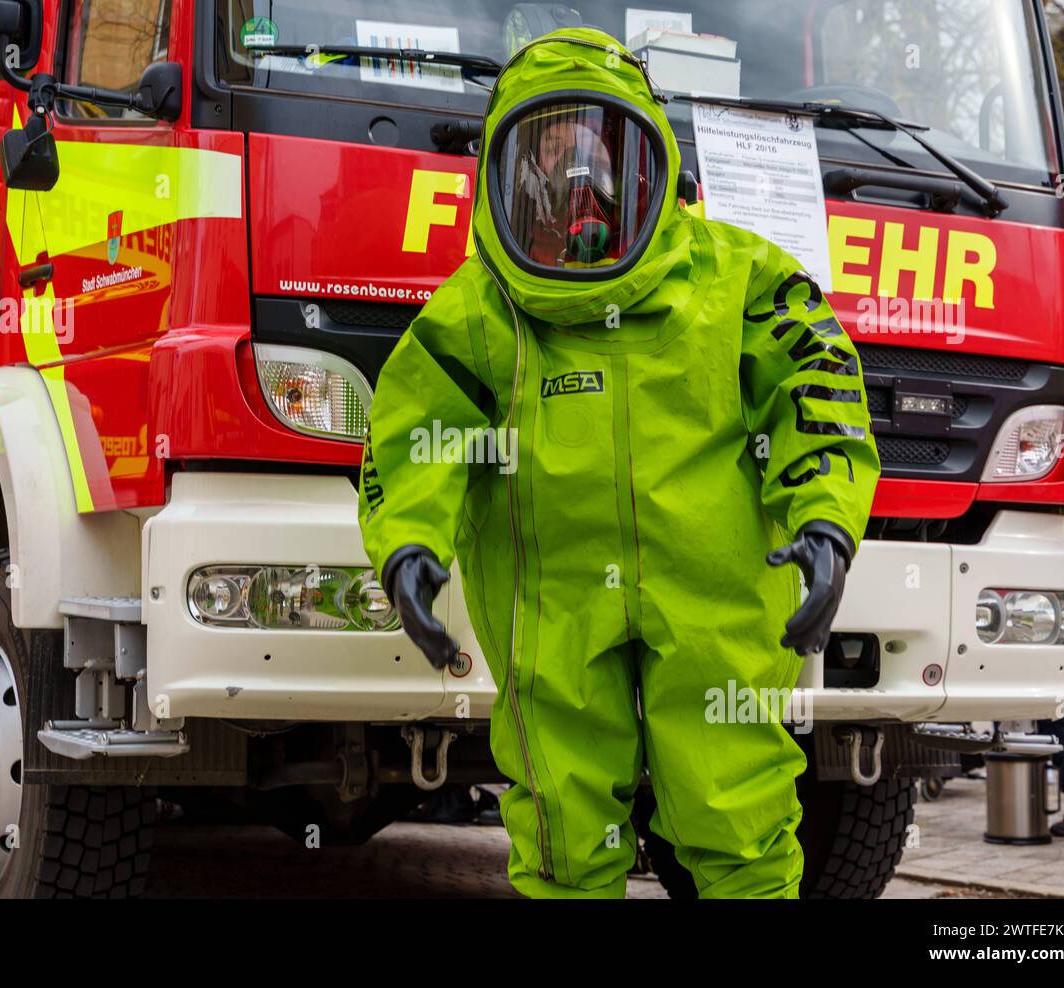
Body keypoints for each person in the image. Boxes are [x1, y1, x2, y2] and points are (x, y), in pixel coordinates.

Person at [358, 28, 879, 898]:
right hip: (551, 602)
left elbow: (817, 393)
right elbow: (417, 429)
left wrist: (825, 519)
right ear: (506, 176)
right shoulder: (484, 310)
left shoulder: (737, 282)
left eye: (596, 155)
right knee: (563, 817)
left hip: (712, 600)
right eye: (550, 158)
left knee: (736, 807)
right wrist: (410, 542)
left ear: (649, 164)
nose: (577, 188)